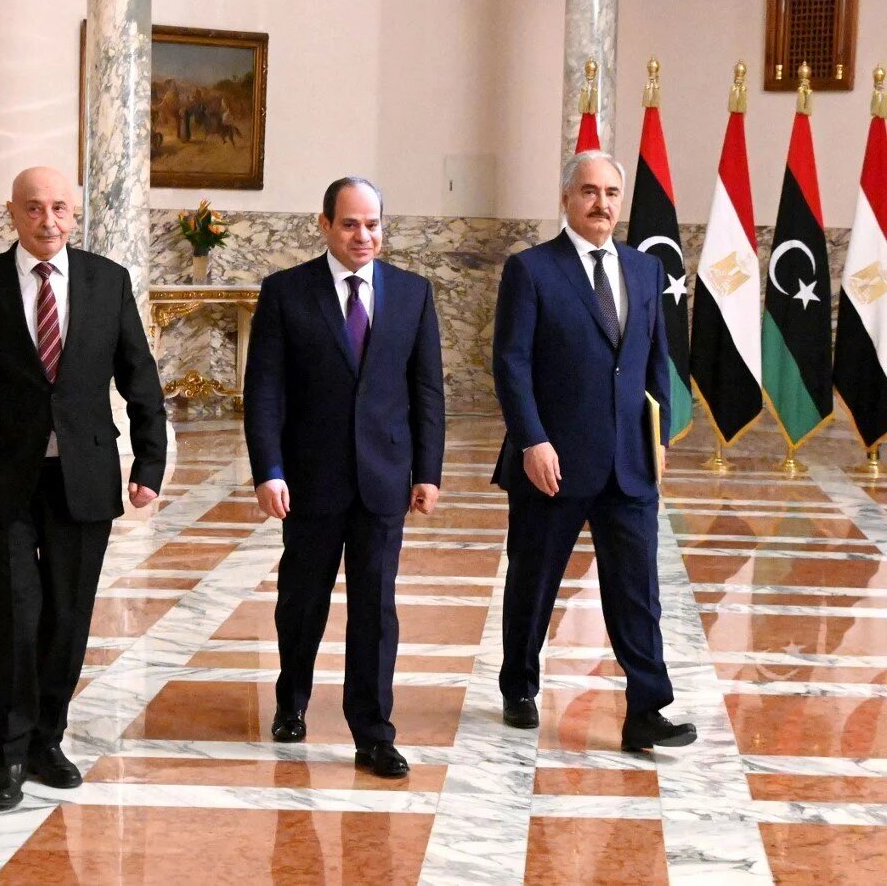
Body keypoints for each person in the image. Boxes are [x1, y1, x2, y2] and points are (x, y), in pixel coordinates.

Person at [0, 166, 167, 808]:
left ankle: (46, 740)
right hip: (4, 475)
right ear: (12, 213)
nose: (48, 220)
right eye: (34, 208)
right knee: (14, 610)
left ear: (75, 212)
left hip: (83, 475)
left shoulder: (106, 281)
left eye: (60, 207)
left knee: (68, 614)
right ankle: (7, 752)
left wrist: (149, 462)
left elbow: (139, 375)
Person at [491, 150, 696, 751]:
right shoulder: (531, 270)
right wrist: (532, 440)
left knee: (638, 592)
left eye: (610, 192)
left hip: (630, 464)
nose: (601, 203)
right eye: (588, 191)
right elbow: (511, 363)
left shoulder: (645, 270)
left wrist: (659, 439)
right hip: (551, 462)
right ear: (566, 198)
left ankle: (646, 710)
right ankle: (519, 685)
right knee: (533, 583)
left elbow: (655, 362)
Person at [243, 176, 445, 778]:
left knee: (376, 609)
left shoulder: (413, 293)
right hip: (310, 479)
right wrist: (268, 470)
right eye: (351, 224)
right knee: (301, 601)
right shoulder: (286, 291)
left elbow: (427, 391)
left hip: (384, 478)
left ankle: (374, 733)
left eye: (373, 224)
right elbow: (265, 391)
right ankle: (292, 698)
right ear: (325, 224)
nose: (364, 236)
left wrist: (428, 471)